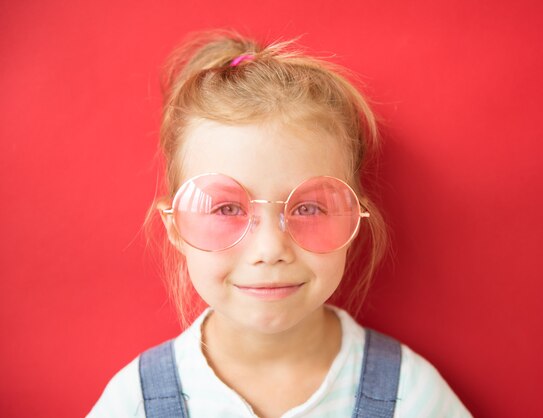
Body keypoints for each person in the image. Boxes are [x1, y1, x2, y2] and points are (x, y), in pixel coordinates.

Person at [88, 31, 471, 418]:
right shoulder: (134, 402)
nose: (271, 249)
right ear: (175, 229)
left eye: (307, 209)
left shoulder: (410, 395)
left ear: (353, 219)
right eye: (225, 209)